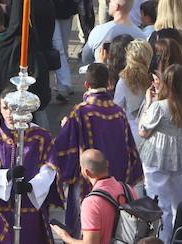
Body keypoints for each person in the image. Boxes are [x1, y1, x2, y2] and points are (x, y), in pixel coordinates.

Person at [51, 64, 143, 235]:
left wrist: (66, 127)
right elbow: (130, 150)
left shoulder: (80, 113)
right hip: (116, 185)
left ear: (86, 84)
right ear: (109, 83)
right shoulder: (119, 113)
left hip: (89, 185)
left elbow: (61, 148)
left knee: (85, 230)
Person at [0, 90, 59, 244]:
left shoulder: (41, 136)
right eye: (5, 108)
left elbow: (49, 169)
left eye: (13, 107)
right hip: (0, 209)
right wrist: (6, 176)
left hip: (30, 208)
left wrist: (31, 186)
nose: (9, 113)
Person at [138, 63, 182, 235]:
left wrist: (149, 103)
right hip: (180, 156)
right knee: (178, 200)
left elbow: (143, 131)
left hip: (156, 157)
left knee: (160, 204)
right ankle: (179, 235)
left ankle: (163, 238)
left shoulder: (159, 106)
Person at [48, 149, 134, 244]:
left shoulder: (91, 203)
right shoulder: (128, 189)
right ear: (107, 164)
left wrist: (66, 237)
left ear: (86, 172)